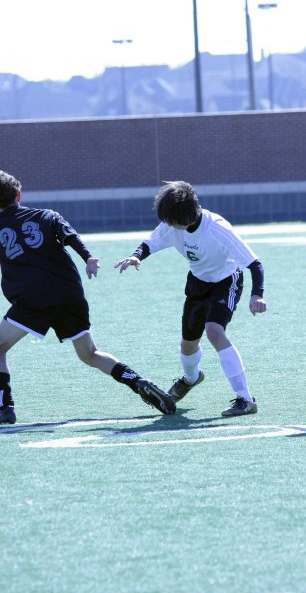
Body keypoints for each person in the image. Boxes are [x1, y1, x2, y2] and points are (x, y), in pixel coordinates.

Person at [0, 170, 175, 425]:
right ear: (19, 195)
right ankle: (137, 382)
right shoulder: (46, 215)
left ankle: (5, 407)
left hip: (32, 300)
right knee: (90, 354)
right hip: (69, 293)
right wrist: (89, 258)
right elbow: (71, 237)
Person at [115, 180, 267, 417]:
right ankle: (191, 379)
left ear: (185, 217)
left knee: (214, 331)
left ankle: (246, 399)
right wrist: (136, 256)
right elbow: (150, 243)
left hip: (226, 281)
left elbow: (255, 264)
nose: (166, 224)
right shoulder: (171, 225)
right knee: (188, 346)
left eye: (170, 220)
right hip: (197, 284)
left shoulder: (217, 229)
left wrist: (257, 295)